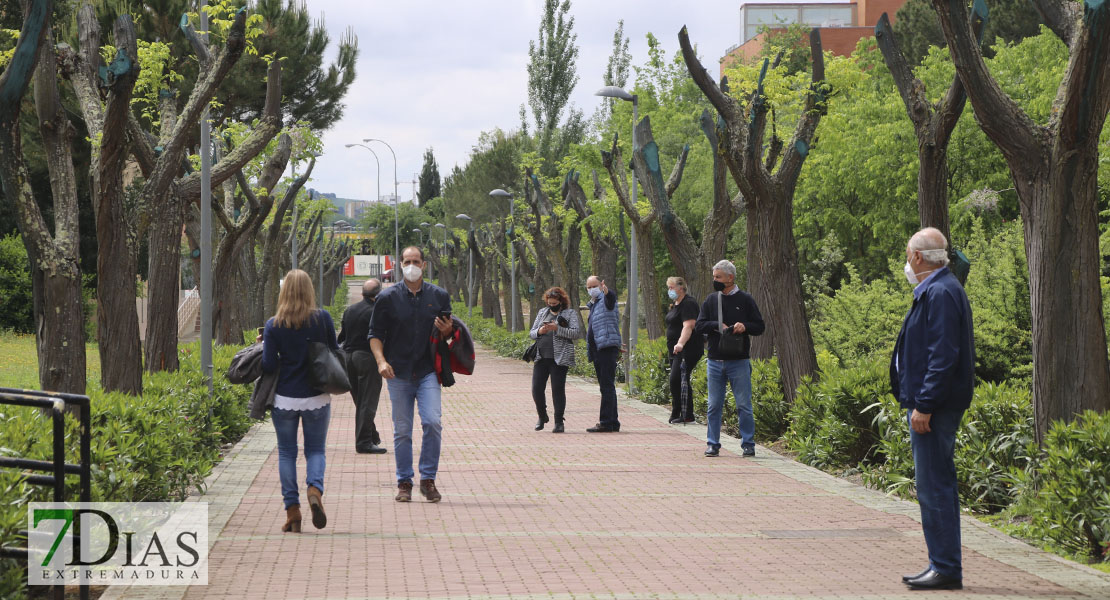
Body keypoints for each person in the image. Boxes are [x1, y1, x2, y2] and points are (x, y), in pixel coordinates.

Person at [891, 227, 975, 591]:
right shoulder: (939, 289)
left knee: (934, 486)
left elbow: (942, 356)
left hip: (935, 407)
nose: (907, 260)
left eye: (908, 253)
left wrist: (924, 404)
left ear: (917, 257)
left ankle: (944, 567)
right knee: (935, 485)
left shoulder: (940, 292)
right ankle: (942, 564)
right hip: (934, 404)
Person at [369, 247, 453, 503]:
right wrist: (381, 361)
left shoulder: (438, 296)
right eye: (407, 261)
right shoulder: (387, 297)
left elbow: (448, 336)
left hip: (428, 371)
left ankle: (428, 480)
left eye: (416, 261)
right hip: (398, 373)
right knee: (402, 430)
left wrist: (448, 331)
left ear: (424, 265)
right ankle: (404, 482)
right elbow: (374, 335)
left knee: (432, 422)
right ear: (399, 265)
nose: (412, 265)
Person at [260, 269, 338, 532]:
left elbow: (269, 364)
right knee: (315, 450)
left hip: (285, 398)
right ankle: (314, 489)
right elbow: (334, 351)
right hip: (317, 395)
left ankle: (292, 511)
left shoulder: (273, 324)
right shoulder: (322, 318)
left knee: (286, 453)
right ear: (309, 290)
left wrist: (266, 345)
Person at [695, 260, 765, 457]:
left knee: (743, 404)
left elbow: (759, 326)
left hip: (739, 361)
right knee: (713, 405)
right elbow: (699, 326)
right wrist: (719, 326)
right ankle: (713, 443)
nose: (714, 280)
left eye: (718, 277)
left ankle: (748, 444)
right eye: (714, 277)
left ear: (730, 278)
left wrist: (745, 326)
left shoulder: (746, 299)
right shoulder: (711, 300)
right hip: (715, 360)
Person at [338, 278, 387, 454]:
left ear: (362, 293)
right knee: (368, 401)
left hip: (348, 358)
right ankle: (364, 442)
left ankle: (371, 435)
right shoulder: (377, 312)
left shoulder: (350, 310)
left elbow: (341, 337)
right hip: (367, 358)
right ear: (379, 294)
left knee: (360, 400)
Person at [528, 287, 581, 433]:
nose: (551, 305)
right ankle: (542, 415)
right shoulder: (542, 312)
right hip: (541, 357)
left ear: (561, 301)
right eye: (549, 303)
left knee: (557, 390)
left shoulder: (570, 314)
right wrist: (540, 331)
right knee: (536, 389)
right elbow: (532, 333)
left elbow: (576, 333)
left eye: (554, 303)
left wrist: (557, 328)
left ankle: (559, 421)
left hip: (560, 358)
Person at [584, 275, 621, 432]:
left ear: (601, 285)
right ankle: (613, 421)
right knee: (606, 387)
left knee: (607, 386)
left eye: (595, 286)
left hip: (606, 348)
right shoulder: (594, 305)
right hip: (598, 349)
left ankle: (606, 422)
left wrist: (607, 291)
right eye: (589, 287)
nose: (592, 289)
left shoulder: (606, 300)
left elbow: (611, 298)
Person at [665, 277, 703, 424]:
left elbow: (688, 326)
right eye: (669, 288)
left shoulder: (689, 303)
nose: (670, 291)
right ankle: (678, 413)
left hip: (688, 348)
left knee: (678, 379)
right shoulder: (675, 305)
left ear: (681, 288)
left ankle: (686, 414)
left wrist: (680, 343)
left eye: (672, 287)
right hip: (674, 350)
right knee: (678, 380)